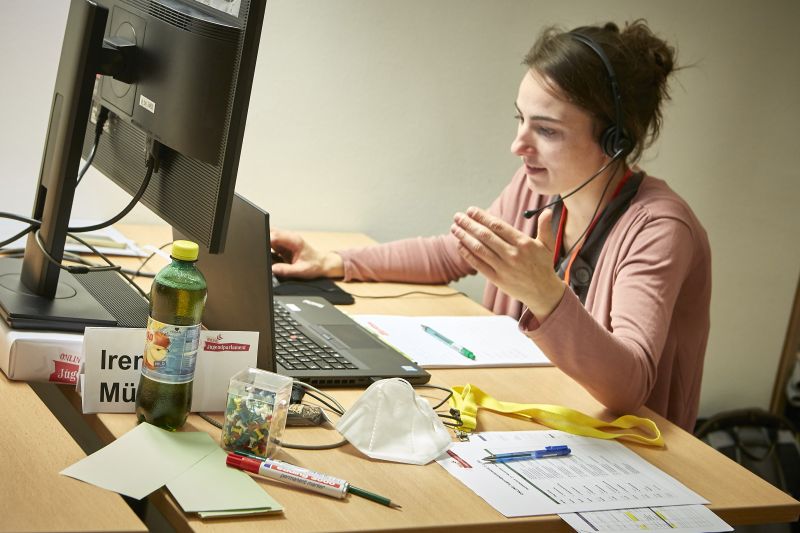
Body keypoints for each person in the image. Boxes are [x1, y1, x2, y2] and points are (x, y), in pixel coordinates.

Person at [270, 20, 711, 432]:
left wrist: (546, 295)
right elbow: (454, 252)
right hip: (528, 412)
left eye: (547, 131)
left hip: (626, 448)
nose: (518, 144)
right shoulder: (540, 187)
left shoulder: (659, 228)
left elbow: (629, 386)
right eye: (521, 119)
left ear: (615, 141)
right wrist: (335, 261)